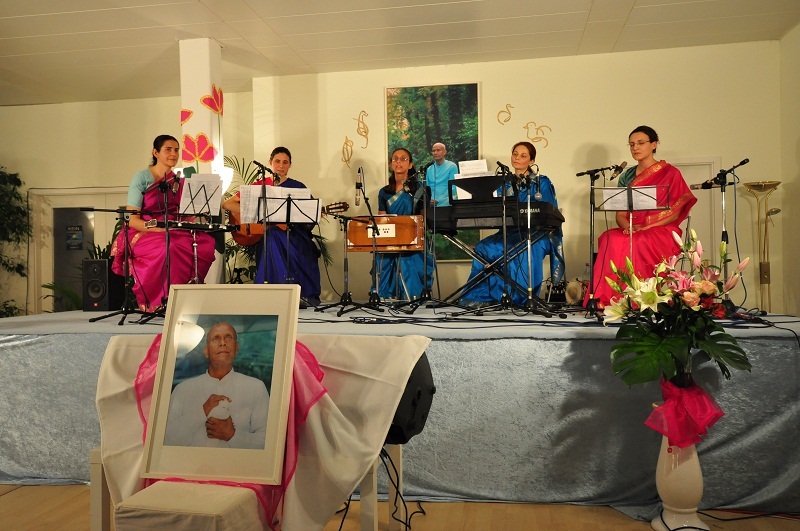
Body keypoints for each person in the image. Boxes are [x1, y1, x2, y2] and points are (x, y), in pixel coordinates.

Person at [586, 125, 697, 308]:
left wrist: (646, 227)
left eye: (640, 143)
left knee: (639, 240)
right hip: (632, 227)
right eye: (631, 144)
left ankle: (643, 299)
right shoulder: (626, 176)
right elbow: (620, 214)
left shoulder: (671, 173)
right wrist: (627, 226)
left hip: (661, 228)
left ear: (654, 144)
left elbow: (675, 211)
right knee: (609, 238)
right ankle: (609, 300)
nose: (635, 148)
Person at [111, 134, 216, 312]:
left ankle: (186, 302)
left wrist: (195, 217)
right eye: (168, 149)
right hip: (145, 229)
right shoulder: (142, 178)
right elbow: (132, 219)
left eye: (176, 150)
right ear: (156, 152)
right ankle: (159, 302)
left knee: (204, 243)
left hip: (173, 228)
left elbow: (185, 214)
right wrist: (158, 229)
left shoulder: (179, 181)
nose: (173, 154)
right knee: (168, 246)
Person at [460, 141, 564, 308]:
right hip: (509, 232)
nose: (517, 158)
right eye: (515, 154)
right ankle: (482, 297)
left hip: (538, 233)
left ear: (532, 161)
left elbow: (547, 212)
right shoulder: (503, 183)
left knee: (523, 248)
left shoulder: (541, 182)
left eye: (523, 155)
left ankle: (521, 299)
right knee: (484, 247)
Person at [222, 146, 322, 305]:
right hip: (268, 233)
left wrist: (314, 215)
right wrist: (254, 212)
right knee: (272, 234)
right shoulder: (259, 185)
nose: (281, 166)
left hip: (294, 235)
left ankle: (289, 293)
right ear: (270, 162)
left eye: (285, 162)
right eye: (277, 161)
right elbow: (227, 204)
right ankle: (278, 293)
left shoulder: (298, 187)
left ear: (290, 165)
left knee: (277, 236)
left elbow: (308, 220)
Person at [164, 322, 269, 449]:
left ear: (236, 348)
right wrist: (201, 412)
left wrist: (233, 436)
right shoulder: (182, 390)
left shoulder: (256, 388)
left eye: (228, 337)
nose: (222, 342)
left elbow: (268, 443)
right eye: (216, 338)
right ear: (206, 351)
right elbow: (167, 440)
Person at [374, 147, 435, 300]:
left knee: (410, 260)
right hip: (390, 239)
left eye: (403, 159)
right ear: (391, 164)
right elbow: (382, 219)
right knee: (383, 258)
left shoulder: (420, 189)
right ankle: (386, 297)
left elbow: (423, 219)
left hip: (413, 240)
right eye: (395, 159)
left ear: (410, 165)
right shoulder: (384, 192)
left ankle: (412, 297)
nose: (398, 162)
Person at [426, 142, 459, 207]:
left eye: (438, 150)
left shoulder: (452, 166)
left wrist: (438, 200)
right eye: (433, 151)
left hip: (447, 201)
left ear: (444, 152)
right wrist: (429, 200)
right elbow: (427, 188)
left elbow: (453, 188)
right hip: (432, 203)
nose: (435, 153)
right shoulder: (429, 169)